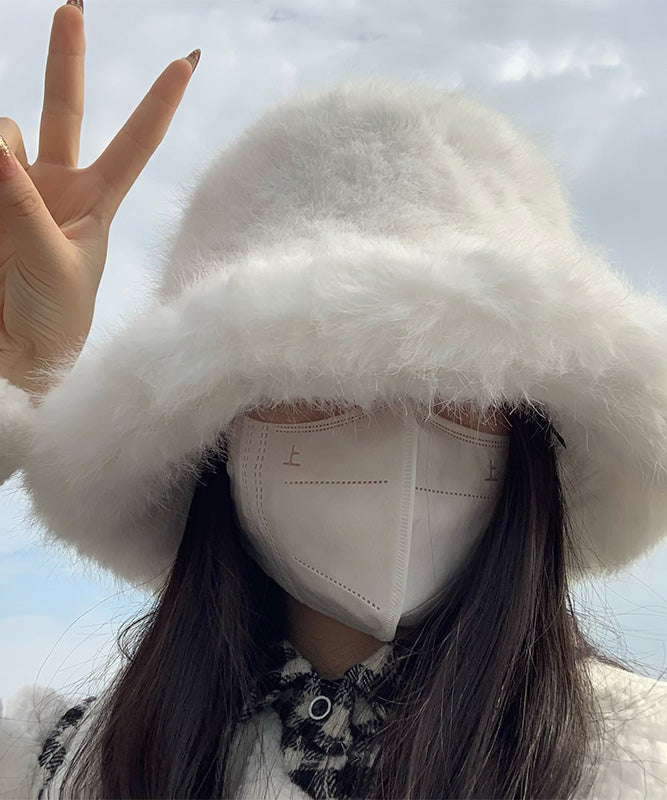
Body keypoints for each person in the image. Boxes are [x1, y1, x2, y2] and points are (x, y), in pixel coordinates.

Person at [0, 2, 666, 798]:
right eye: (317, 380)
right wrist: (14, 373)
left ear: (529, 424)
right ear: (212, 431)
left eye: (456, 386)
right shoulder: (60, 763)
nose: (396, 428)